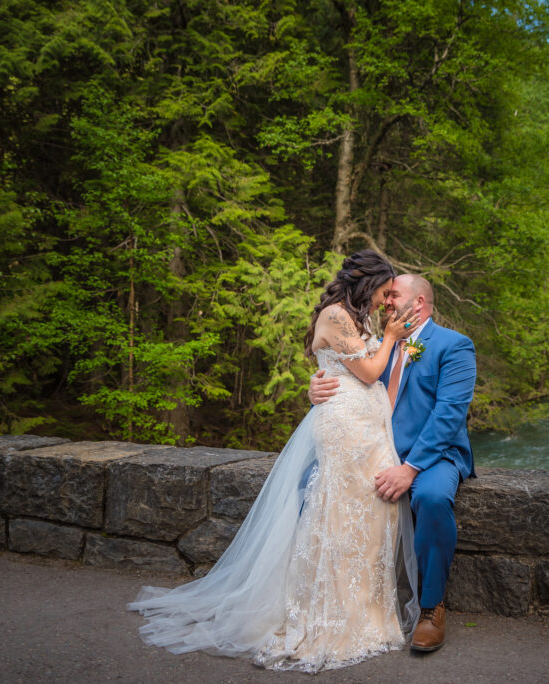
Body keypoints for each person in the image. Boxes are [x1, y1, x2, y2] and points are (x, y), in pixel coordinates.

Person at [129, 250, 423, 673]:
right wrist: (393, 339)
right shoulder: (337, 316)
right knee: (337, 520)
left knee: (371, 521)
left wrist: (382, 343)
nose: (383, 300)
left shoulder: (360, 319)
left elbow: (347, 371)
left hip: (370, 431)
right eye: (381, 291)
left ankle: (368, 617)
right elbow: (369, 372)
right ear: (367, 284)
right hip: (344, 431)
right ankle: (325, 618)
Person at [308, 272, 477, 652]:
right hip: (374, 448)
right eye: (385, 296)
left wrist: (410, 468)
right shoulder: (375, 344)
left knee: (431, 499)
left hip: (433, 455)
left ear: (418, 303)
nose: (385, 302)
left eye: (394, 295)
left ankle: (431, 607)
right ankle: (329, 596)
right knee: (312, 484)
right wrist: (315, 387)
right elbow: (347, 377)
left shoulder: (454, 346)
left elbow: (449, 417)